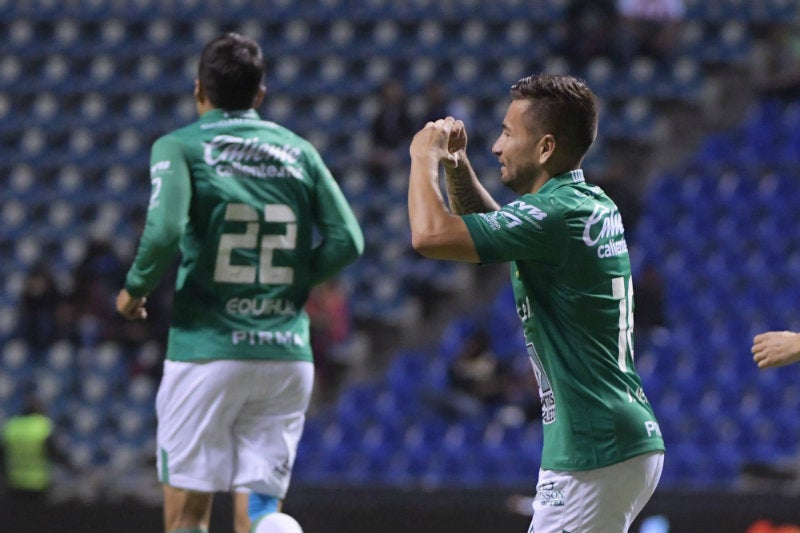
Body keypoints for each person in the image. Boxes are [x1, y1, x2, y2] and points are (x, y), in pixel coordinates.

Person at [115, 32, 364, 533]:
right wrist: (292, 284)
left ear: (198, 91)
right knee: (260, 516)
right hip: (283, 357)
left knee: (187, 516)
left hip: (207, 352)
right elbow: (348, 240)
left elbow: (162, 231)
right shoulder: (299, 150)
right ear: (261, 95)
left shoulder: (180, 146)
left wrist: (134, 289)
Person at [407, 73, 665, 533]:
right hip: (610, 438)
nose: (497, 147)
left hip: (593, 446)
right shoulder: (583, 203)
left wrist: (422, 156)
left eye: (508, 133)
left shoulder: (556, 213)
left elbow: (429, 236)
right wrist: (456, 165)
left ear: (545, 148)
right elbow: (496, 229)